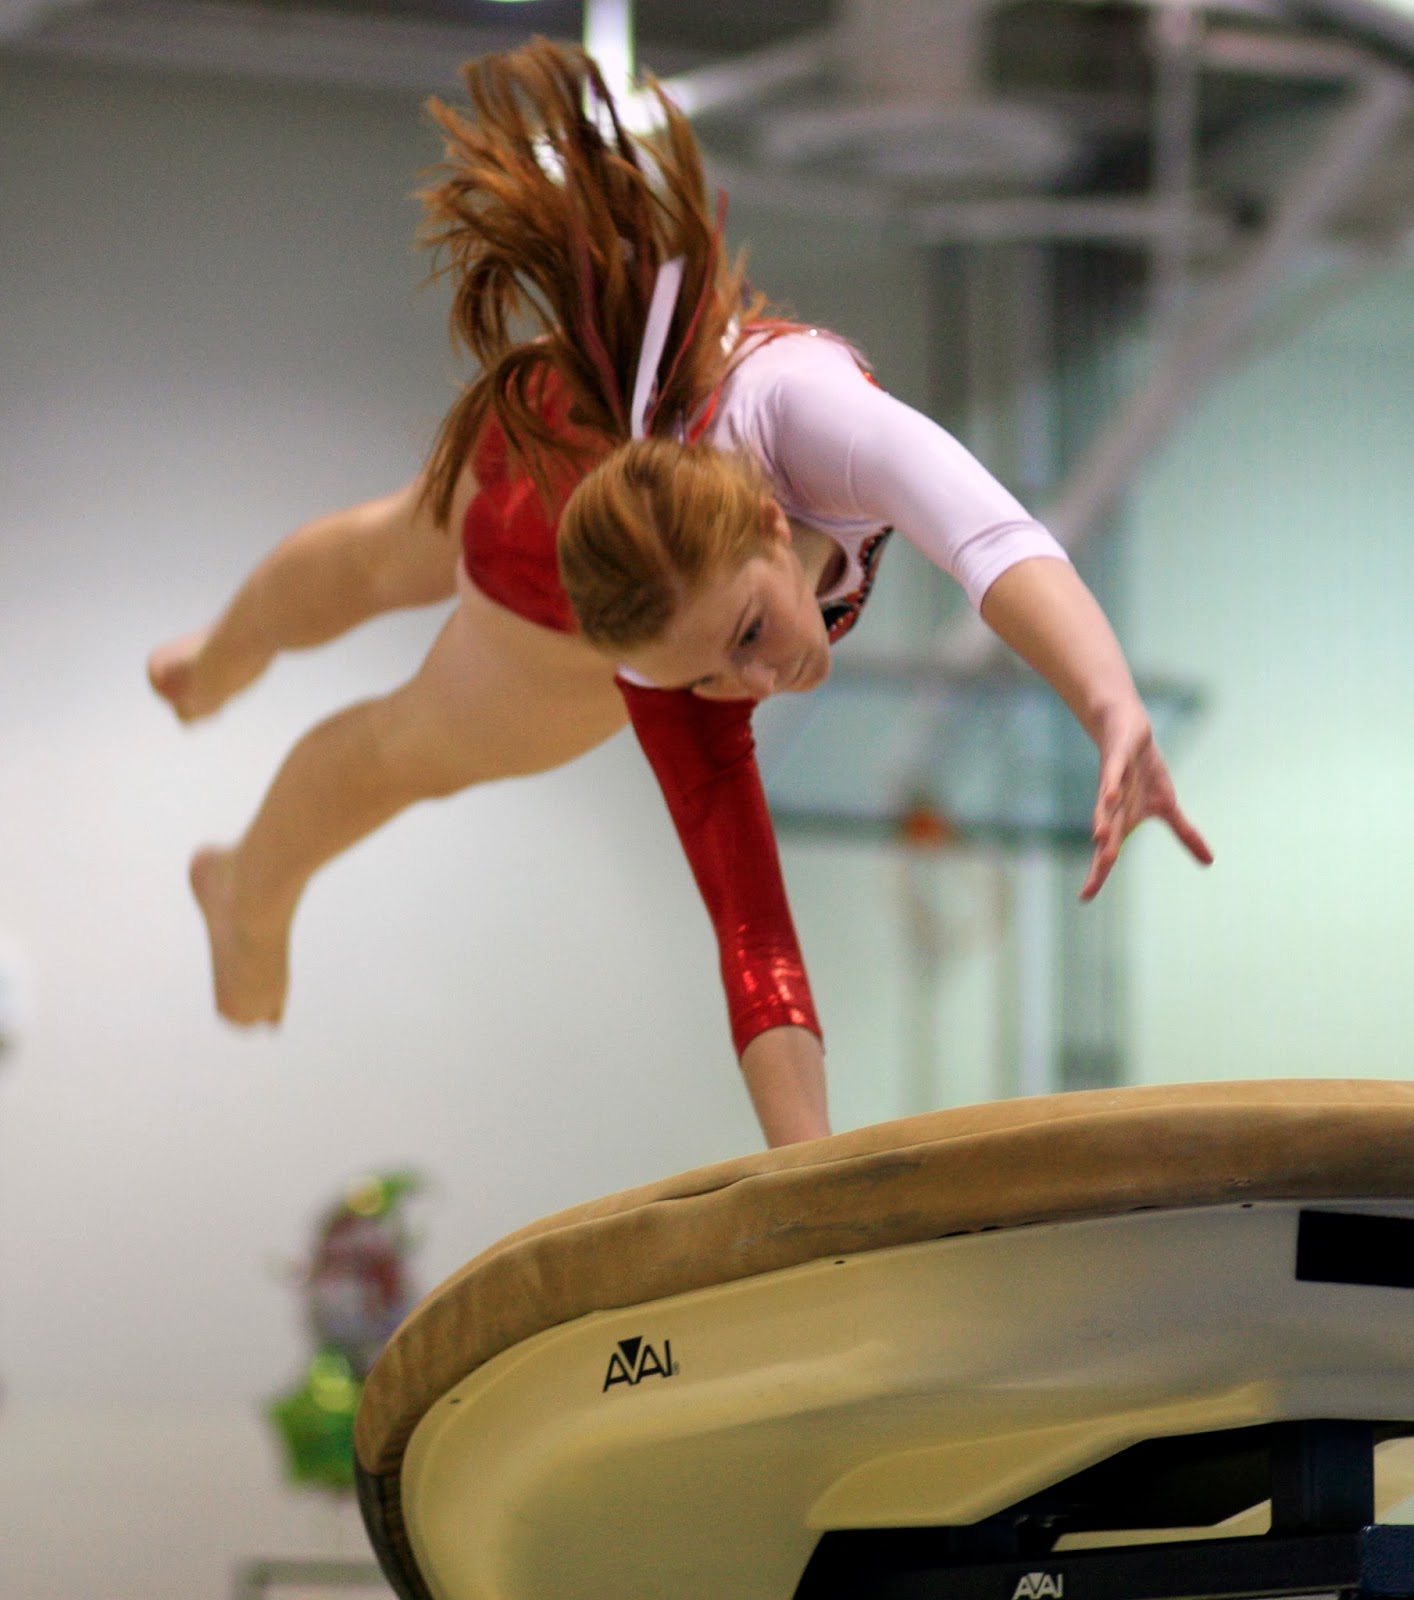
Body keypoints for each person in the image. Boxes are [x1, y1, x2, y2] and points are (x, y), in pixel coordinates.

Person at [147, 39, 1212, 1149]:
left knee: (388, 547)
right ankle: (247, 890)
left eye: (742, 640)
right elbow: (752, 920)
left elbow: (991, 537)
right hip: (568, 523)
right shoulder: (672, 655)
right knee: (403, 742)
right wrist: (812, 1177)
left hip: (589, 416)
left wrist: (1108, 705)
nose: (752, 684)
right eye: (718, 668)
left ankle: (217, 657)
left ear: (766, 515)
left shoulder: (812, 425)